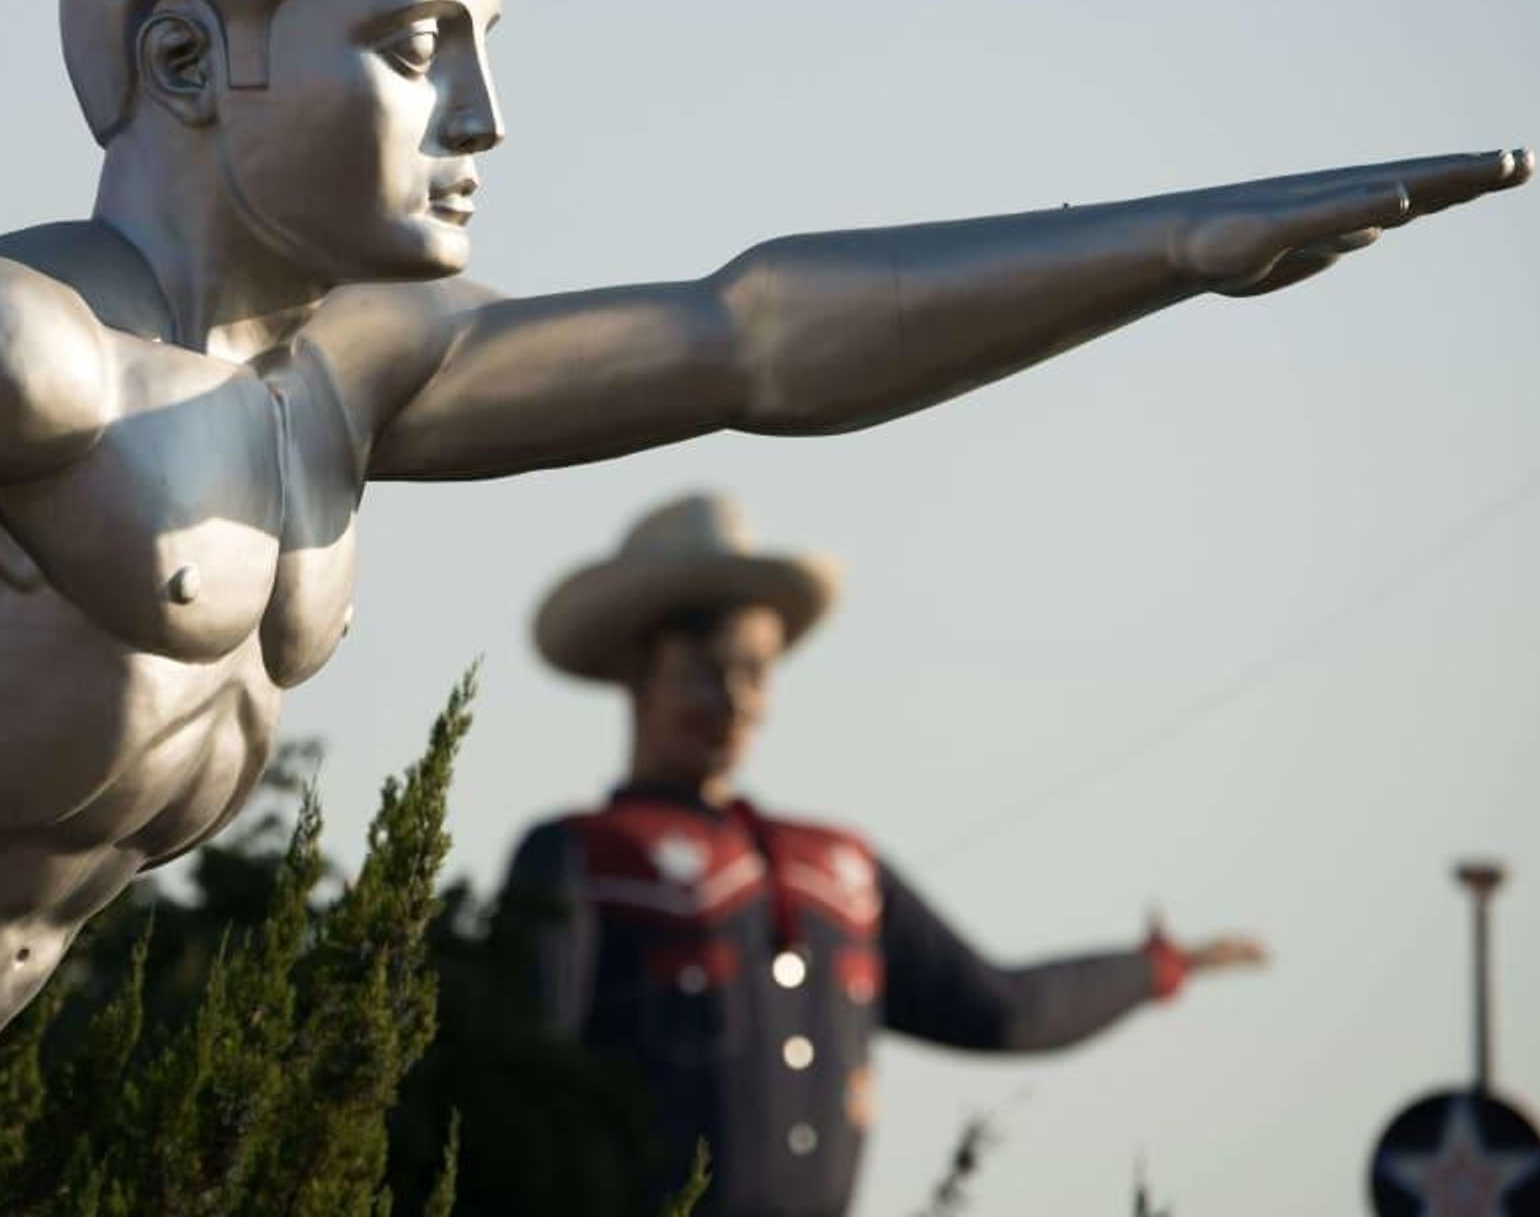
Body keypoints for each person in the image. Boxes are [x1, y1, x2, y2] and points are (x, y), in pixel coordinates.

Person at [0, 0, 1528, 1212]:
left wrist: (1173, 248)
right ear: (186, 59)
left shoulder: (346, 386)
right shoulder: (14, 360)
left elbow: (753, 338)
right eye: (419, 50)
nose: (484, 118)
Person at [504, 493, 1267, 1217]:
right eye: (706, 666)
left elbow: (1001, 1009)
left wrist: (1156, 968)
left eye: (756, 670)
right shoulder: (585, 857)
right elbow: (516, 1081)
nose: (734, 699)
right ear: (640, 669)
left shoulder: (841, 870)